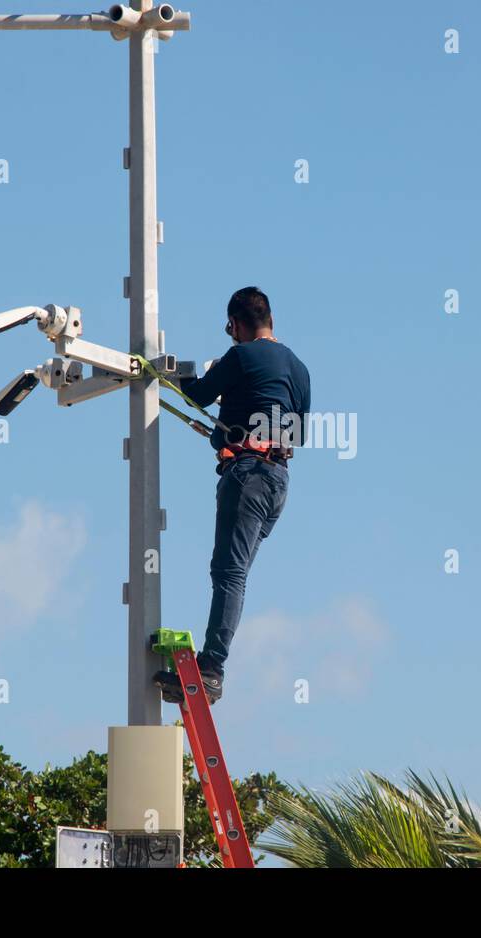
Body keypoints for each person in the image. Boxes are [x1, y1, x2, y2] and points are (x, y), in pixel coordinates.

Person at [153, 287, 310, 705]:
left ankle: (212, 669)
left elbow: (196, 395)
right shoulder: (299, 368)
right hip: (279, 482)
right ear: (270, 320)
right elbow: (298, 434)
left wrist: (173, 375)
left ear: (235, 323)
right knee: (235, 574)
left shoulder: (238, 357)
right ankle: (212, 665)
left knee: (229, 573)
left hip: (249, 475)